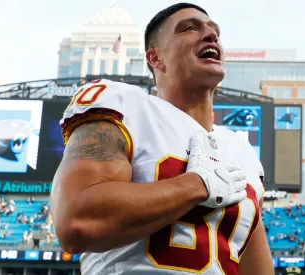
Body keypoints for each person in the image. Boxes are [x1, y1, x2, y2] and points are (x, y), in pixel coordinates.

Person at [51, 2, 274, 274]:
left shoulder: (242, 151)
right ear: (156, 58)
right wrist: (197, 184)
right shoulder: (124, 104)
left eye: (215, 31)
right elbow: (77, 221)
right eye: (189, 28)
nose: (211, 35)